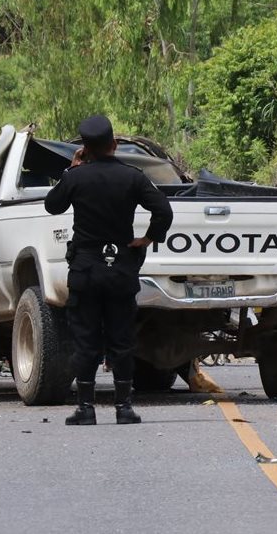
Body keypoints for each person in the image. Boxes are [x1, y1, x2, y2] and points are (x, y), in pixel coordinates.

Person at [45, 115, 173, 425]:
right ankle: (124, 408)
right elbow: (163, 210)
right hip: (121, 270)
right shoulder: (133, 177)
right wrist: (148, 238)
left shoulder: (76, 178)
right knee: (122, 339)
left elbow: (53, 205)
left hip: (86, 270)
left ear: (84, 149)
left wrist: (71, 170)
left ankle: (86, 409)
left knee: (85, 341)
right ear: (114, 144)